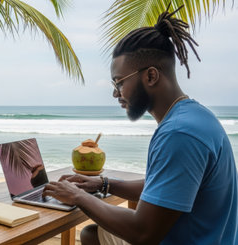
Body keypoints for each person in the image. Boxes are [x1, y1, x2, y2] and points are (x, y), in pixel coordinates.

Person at [43, 5, 238, 245]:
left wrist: (79, 197)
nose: (116, 94)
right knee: (92, 234)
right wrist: (104, 184)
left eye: (119, 83)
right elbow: (164, 186)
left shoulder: (179, 133)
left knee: (95, 234)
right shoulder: (194, 116)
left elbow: (144, 233)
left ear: (151, 76)